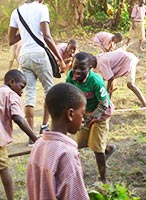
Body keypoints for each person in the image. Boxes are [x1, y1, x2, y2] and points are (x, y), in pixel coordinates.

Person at [8, 0, 66, 143]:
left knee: (29, 95)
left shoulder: (17, 12)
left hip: (23, 56)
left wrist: (25, 31)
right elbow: (46, 36)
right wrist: (59, 58)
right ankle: (45, 126)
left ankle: (31, 138)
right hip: (39, 54)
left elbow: (11, 40)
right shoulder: (42, 8)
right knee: (50, 91)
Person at [26, 83, 89, 199]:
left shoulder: (38, 144)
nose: (83, 119)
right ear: (70, 114)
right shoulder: (67, 154)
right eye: (82, 113)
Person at [66, 52, 116, 183]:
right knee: (81, 143)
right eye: (75, 67)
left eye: (82, 68)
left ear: (90, 68)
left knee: (97, 149)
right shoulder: (70, 77)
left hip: (101, 114)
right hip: (86, 113)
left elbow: (104, 104)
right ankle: (108, 148)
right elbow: (69, 95)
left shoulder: (95, 81)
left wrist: (91, 118)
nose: (77, 71)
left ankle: (103, 179)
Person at [0, 70, 38, 200]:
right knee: (4, 169)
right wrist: (35, 139)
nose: (22, 92)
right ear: (11, 82)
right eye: (21, 87)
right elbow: (19, 118)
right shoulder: (11, 94)